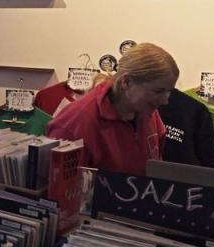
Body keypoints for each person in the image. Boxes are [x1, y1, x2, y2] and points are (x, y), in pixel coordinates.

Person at [47, 43, 179, 176]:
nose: (165, 101)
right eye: (158, 91)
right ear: (126, 82)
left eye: (168, 92)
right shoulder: (75, 123)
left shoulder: (146, 110)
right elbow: (60, 190)